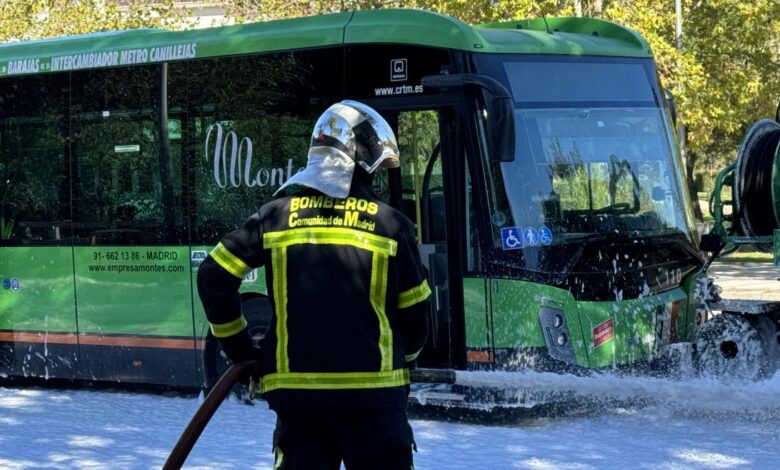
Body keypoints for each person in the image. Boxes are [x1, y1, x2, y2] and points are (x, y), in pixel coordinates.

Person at [197, 100, 431, 469]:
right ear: (362, 159)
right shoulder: (391, 224)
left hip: (300, 403)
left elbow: (213, 276)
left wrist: (241, 351)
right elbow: (416, 318)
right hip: (375, 401)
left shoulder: (274, 217)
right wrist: (405, 358)